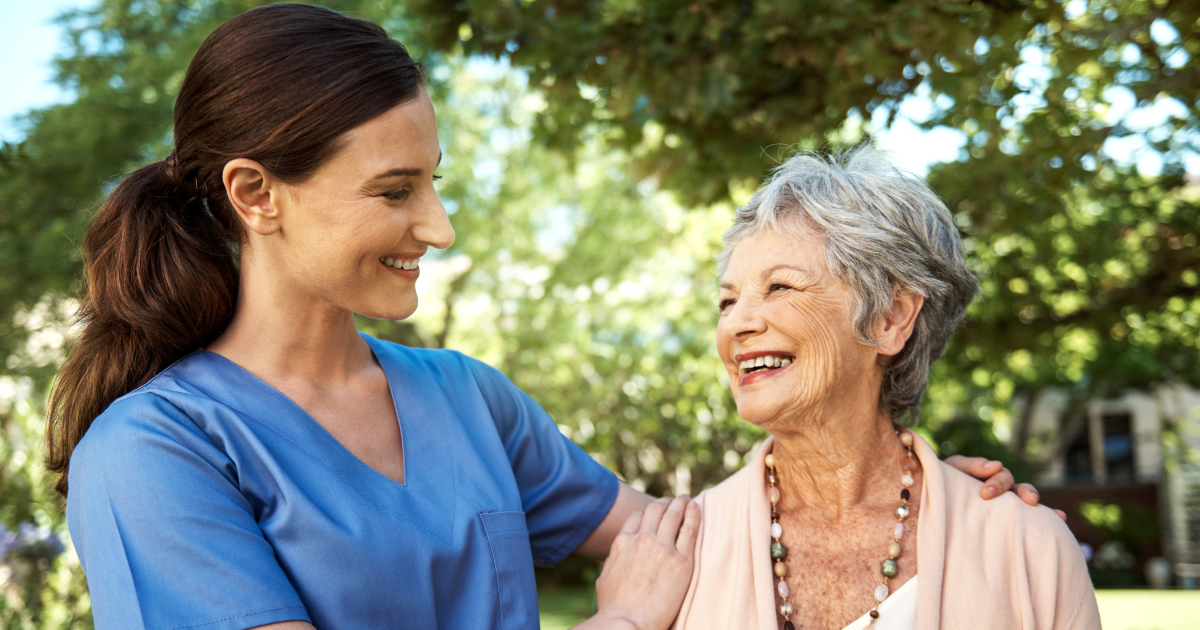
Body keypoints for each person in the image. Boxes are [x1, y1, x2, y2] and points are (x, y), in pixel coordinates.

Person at [44, 5, 1045, 629]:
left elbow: (677, 536)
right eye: (395, 191)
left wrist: (876, 488)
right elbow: (642, 593)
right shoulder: (150, 452)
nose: (434, 226)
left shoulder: (464, 398)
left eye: (435, 183)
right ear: (257, 194)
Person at [672, 149, 1100, 630]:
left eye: (780, 288)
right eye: (727, 301)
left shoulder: (1027, 547)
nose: (736, 325)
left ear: (890, 318)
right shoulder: (678, 550)